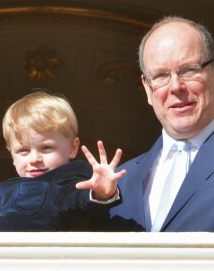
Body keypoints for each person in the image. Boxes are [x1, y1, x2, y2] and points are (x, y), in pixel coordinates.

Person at [77, 16, 214, 232]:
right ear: (147, 89)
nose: (176, 87)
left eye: (188, 70)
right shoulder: (119, 183)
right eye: (160, 75)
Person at [0, 91, 125, 231]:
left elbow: (76, 197)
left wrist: (100, 193)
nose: (34, 159)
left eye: (46, 148)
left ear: (72, 148)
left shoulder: (65, 180)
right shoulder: (3, 190)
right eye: (23, 151)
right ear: (12, 155)